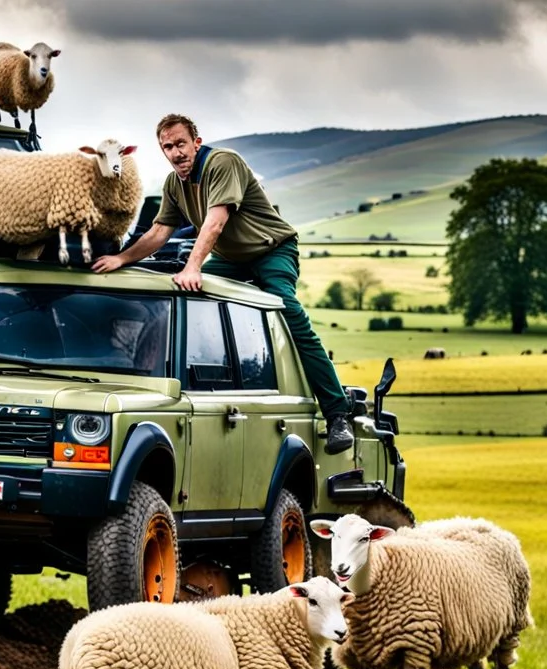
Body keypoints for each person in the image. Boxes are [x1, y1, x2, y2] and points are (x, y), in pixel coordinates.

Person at [92, 113, 353, 454]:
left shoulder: (223, 163)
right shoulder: (174, 185)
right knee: (185, 300)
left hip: (270, 249)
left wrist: (193, 267)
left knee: (287, 313)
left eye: (181, 144)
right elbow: (158, 232)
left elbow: (215, 222)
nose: (175, 153)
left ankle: (337, 414)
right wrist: (122, 259)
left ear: (196, 143)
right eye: (167, 147)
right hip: (232, 257)